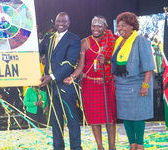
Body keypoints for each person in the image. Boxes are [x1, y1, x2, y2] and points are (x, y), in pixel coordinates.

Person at [64, 16, 117, 150]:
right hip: (90, 85)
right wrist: (73, 76)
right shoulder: (85, 42)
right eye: (93, 25)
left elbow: (118, 63)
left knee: (110, 118)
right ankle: (100, 147)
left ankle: (112, 147)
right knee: (94, 119)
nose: (96, 29)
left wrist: (108, 61)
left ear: (105, 27)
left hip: (107, 83)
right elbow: (81, 65)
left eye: (99, 26)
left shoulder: (112, 40)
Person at [112, 12, 154, 150]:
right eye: (118, 26)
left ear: (132, 26)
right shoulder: (118, 42)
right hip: (121, 84)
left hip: (137, 84)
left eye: (123, 25)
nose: (120, 29)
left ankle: (140, 145)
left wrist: (145, 85)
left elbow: (149, 67)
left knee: (137, 115)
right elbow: (120, 64)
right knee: (126, 116)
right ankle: (132, 144)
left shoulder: (140, 41)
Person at [39, 12, 82, 150]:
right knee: (55, 121)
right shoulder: (48, 38)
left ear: (68, 23)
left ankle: (76, 147)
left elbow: (70, 63)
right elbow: (37, 51)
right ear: (55, 22)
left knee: (72, 120)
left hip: (66, 86)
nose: (60, 24)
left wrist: (51, 77)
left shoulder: (74, 39)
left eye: (64, 21)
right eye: (58, 21)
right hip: (51, 88)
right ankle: (58, 147)